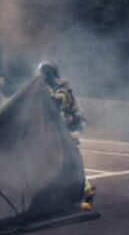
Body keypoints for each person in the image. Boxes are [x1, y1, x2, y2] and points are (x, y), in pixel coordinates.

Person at [37, 61, 95, 210]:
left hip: (69, 130)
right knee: (59, 163)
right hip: (61, 130)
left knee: (69, 164)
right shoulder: (51, 87)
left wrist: (43, 93)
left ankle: (87, 192)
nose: (39, 77)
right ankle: (59, 194)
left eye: (42, 74)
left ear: (48, 74)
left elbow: (56, 103)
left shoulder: (62, 88)